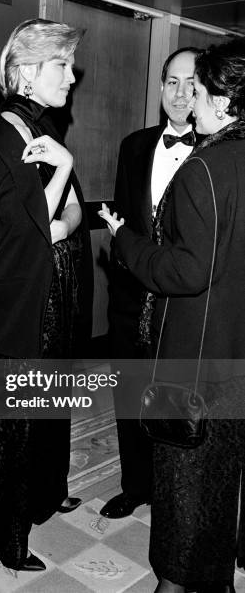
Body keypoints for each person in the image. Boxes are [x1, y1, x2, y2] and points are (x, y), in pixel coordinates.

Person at [99, 38, 245, 592]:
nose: (191, 101)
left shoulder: (203, 170)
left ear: (225, 101)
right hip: (234, 350)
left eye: (200, 90)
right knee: (218, 479)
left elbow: (187, 272)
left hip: (192, 356)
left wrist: (127, 243)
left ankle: (178, 580)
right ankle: (217, 578)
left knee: (183, 483)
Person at [0, 19, 93, 573]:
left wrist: (63, 178)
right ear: (28, 74)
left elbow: (63, 216)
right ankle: (7, 537)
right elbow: (10, 244)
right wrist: (64, 171)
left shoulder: (41, 135)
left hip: (53, 294)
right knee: (13, 428)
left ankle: (45, 493)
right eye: (62, 66)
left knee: (51, 404)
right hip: (15, 310)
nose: (71, 77)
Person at [101, 46, 201, 519]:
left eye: (191, 83)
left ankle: (175, 497)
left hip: (183, 303)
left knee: (175, 404)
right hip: (131, 300)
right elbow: (124, 224)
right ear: (160, 86)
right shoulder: (134, 145)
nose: (180, 94)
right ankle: (135, 485)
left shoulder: (217, 154)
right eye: (172, 82)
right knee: (129, 394)